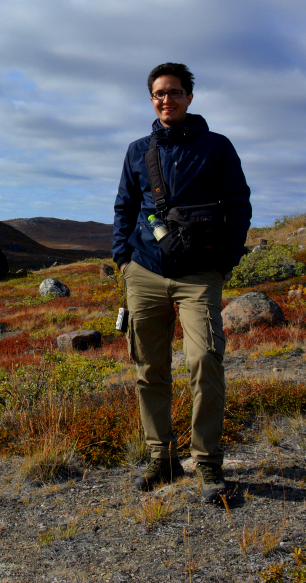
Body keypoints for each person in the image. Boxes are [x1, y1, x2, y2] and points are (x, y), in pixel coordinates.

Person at [111, 62, 251, 504]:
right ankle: (161, 456)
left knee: (205, 359)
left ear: (190, 97)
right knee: (149, 369)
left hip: (199, 276)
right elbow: (123, 207)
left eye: (174, 92)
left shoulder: (217, 147)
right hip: (145, 273)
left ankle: (207, 462)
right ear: (150, 99)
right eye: (158, 94)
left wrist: (225, 261)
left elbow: (239, 206)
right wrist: (123, 259)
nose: (166, 99)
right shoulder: (137, 151)